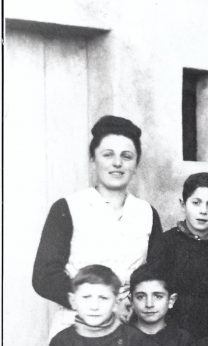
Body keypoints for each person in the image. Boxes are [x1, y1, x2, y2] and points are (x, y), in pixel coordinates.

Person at [32, 115, 160, 333]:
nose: (117, 163)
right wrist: (97, 303)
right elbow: (44, 276)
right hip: (77, 327)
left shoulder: (147, 213)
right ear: (93, 158)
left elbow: (156, 273)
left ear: (136, 163)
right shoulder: (68, 207)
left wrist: (133, 301)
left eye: (127, 156)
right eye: (108, 154)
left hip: (130, 327)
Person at [147, 172, 208, 340]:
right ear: (183, 204)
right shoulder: (165, 243)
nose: (203, 211)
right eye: (196, 203)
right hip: (171, 330)